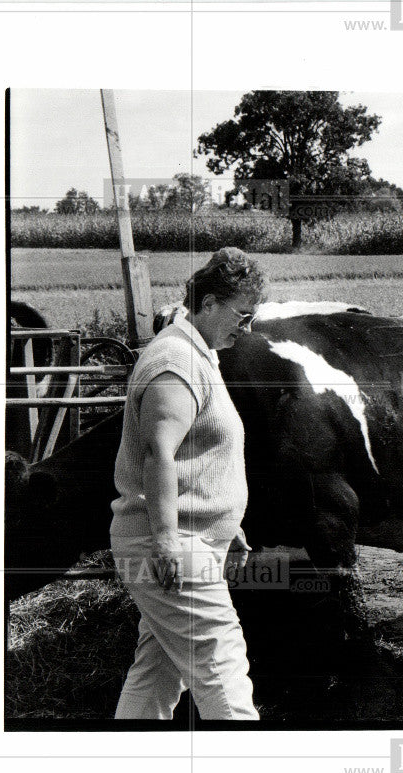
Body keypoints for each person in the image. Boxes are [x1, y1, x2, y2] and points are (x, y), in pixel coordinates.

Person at [110, 247, 267, 720]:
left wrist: (225, 520)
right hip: (173, 546)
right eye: (242, 314)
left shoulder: (198, 353)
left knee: (157, 673)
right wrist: (166, 539)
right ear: (210, 303)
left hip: (190, 539)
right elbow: (159, 452)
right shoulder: (176, 361)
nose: (248, 327)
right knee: (222, 668)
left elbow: (198, 452)